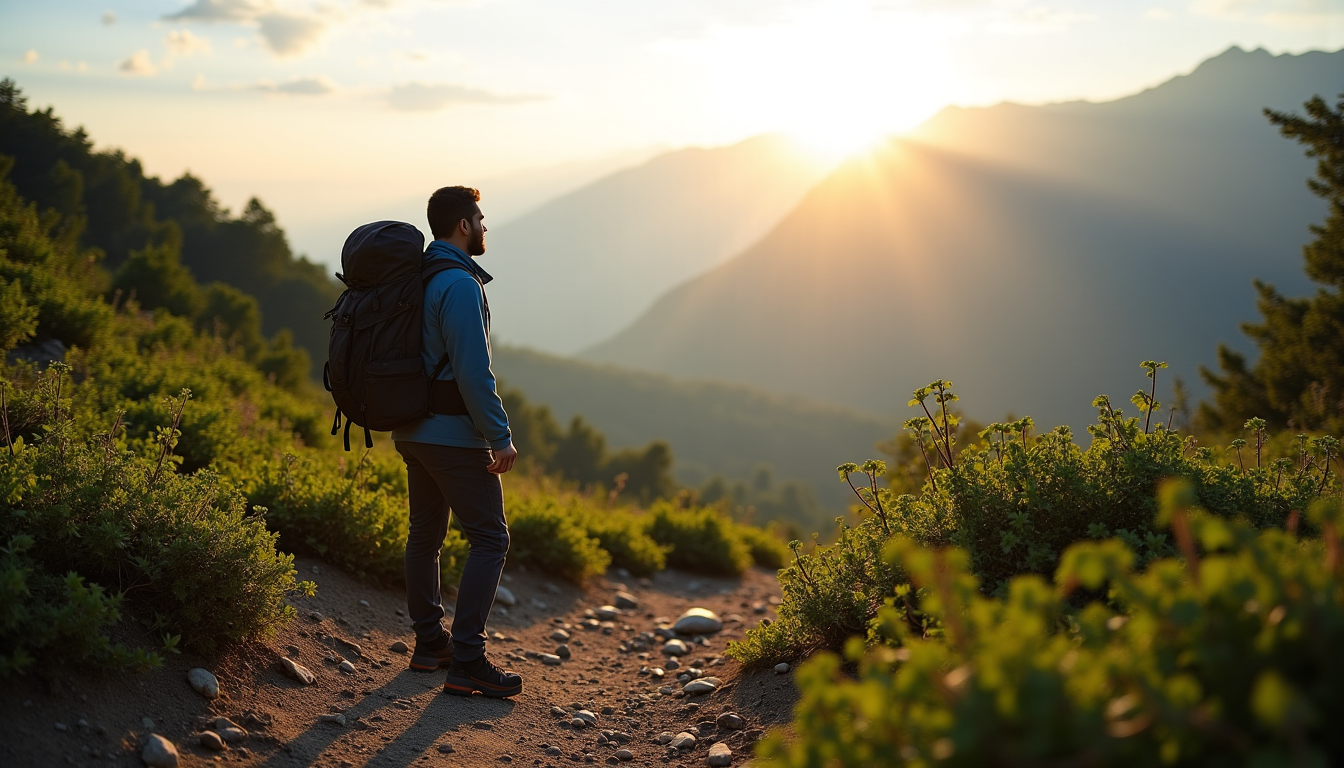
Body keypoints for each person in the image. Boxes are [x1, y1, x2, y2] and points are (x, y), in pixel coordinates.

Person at [392, 185, 522, 698]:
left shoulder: (418, 277)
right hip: (452, 435)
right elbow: (473, 373)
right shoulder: (459, 284)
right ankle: (467, 658)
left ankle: (430, 643)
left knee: (425, 536)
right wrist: (500, 435)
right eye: (480, 219)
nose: (485, 227)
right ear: (463, 226)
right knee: (491, 537)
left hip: (413, 430)